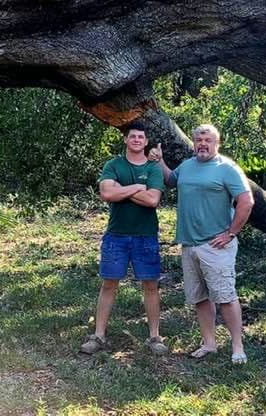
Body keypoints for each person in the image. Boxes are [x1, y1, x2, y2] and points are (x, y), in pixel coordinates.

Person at [150, 123, 254, 364]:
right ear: (194, 143)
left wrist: (231, 233)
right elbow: (171, 180)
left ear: (217, 143)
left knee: (226, 297)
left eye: (208, 140)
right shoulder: (187, 166)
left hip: (217, 245)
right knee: (200, 298)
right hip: (189, 244)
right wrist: (159, 161)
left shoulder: (227, 168)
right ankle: (209, 343)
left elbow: (246, 202)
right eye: (199, 140)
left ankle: (237, 347)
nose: (202, 144)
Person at [79, 121, 169, 356]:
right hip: (116, 236)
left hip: (145, 236)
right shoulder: (113, 164)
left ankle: (154, 337)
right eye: (133, 136)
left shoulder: (153, 168)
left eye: (141, 137)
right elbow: (106, 193)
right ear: (126, 140)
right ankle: (98, 335)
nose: (137, 140)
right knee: (109, 283)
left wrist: (123, 190)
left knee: (150, 285)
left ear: (146, 141)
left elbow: (152, 201)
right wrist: (139, 187)